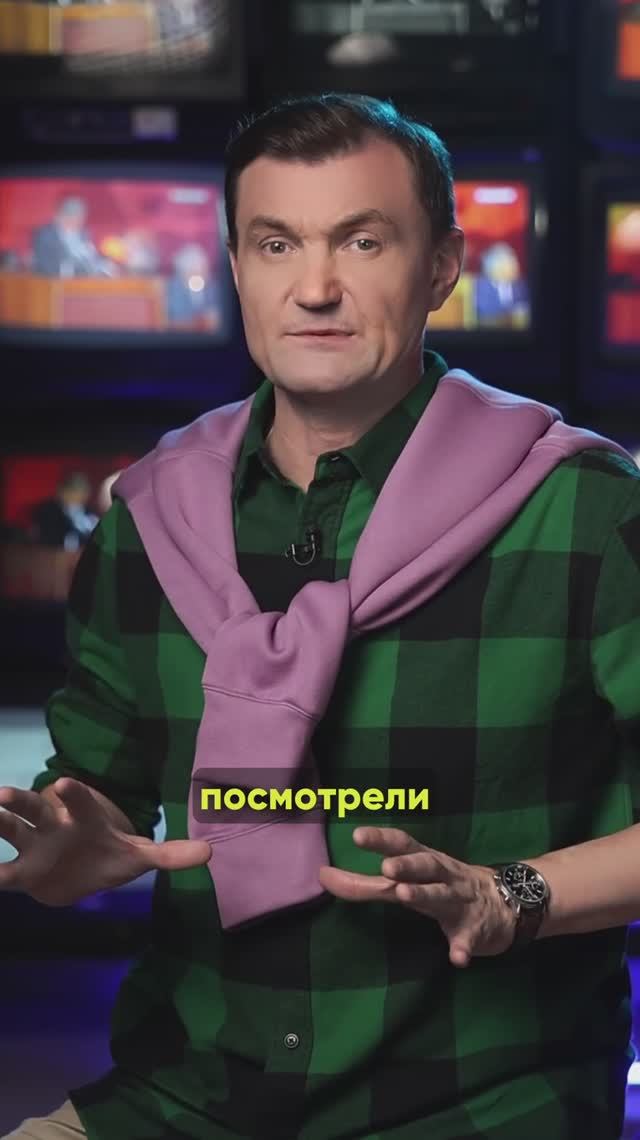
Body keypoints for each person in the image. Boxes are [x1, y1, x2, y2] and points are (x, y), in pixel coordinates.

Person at [1, 92, 639, 1140]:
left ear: (442, 266)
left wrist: (509, 895)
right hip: (187, 1098)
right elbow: (98, 797)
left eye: (362, 240)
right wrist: (72, 851)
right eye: (276, 244)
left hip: (478, 1106)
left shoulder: (586, 510)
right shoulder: (149, 515)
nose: (315, 288)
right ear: (236, 267)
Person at [32, 196, 115, 279]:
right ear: (60, 215)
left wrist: (104, 263)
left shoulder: (83, 234)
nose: (78, 220)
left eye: (80, 216)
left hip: (87, 281)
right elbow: (49, 268)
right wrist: (84, 271)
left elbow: (92, 257)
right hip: (55, 283)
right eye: (73, 215)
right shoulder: (45, 236)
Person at [29, 471, 99, 551]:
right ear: (61, 491)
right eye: (73, 490)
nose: (78, 495)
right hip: (53, 554)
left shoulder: (90, 513)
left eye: (83, 491)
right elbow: (48, 538)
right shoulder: (47, 511)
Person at [166, 241, 222, 329]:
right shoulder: (173, 288)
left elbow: (218, 314)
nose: (200, 275)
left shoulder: (213, 287)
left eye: (203, 270)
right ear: (183, 273)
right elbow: (175, 319)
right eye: (193, 271)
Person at [474, 240, 530, 326]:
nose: (512, 266)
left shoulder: (522, 286)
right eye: (503, 262)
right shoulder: (479, 287)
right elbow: (483, 311)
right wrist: (511, 314)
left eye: (512, 262)